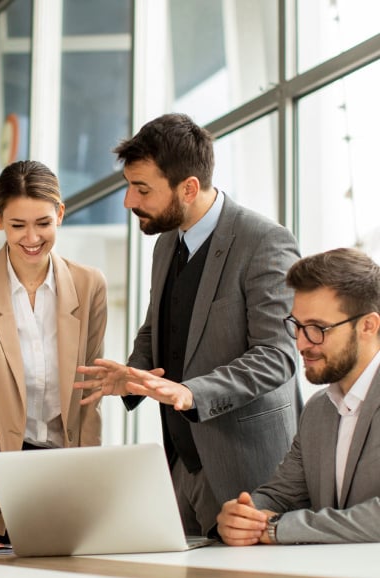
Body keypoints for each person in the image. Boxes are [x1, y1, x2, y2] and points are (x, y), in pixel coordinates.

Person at [76, 113, 301, 537]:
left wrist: (191, 392)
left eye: (142, 189)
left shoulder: (264, 241)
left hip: (250, 471)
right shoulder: (166, 243)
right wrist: (132, 373)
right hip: (181, 465)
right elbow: (158, 324)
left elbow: (278, 355)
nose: (128, 201)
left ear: (189, 187)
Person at [0, 160, 107, 550]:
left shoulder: (89, 284)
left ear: (60, 214)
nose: (32, 237)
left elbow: (89, 397)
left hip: (58, 478)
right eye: (18, 225)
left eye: (43, 223)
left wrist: (91, 491)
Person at [217, 248, 380, 545]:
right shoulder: (319, 409)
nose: (302, 343)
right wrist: (243, 514)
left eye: (318, 328)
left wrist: (277, 528)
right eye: (298, 326)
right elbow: (282, 493)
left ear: (368, 325)